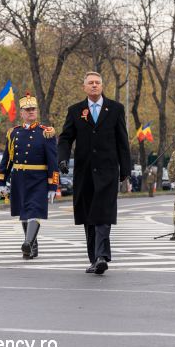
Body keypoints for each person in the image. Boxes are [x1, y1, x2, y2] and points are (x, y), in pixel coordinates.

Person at [58, 71, 131, 275]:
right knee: (89, 215)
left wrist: (125, 169)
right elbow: (65, 138)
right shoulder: (75, 111)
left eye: (97, 82)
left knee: (103, 213)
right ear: (84, 87)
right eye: (90, 83)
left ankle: (101, 256)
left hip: (108, 170)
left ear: (102, 86)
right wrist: (62, 159)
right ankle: (94, 258)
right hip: (85, 171)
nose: (94, 86)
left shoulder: (115, 109)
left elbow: (122, 140)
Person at [0, 93, 58, 260]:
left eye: (33, 109)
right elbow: (7, 159)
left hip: (38, 178)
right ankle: (32, 245)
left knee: (34, 210)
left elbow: (53, 162)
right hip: (19, 178)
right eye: (27, 110)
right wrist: (1, 181)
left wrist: (53, 185)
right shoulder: (13, 133)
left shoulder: (46, 133)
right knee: (24, 211)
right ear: (21, 113)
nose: (31, 112)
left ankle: (27, 243)